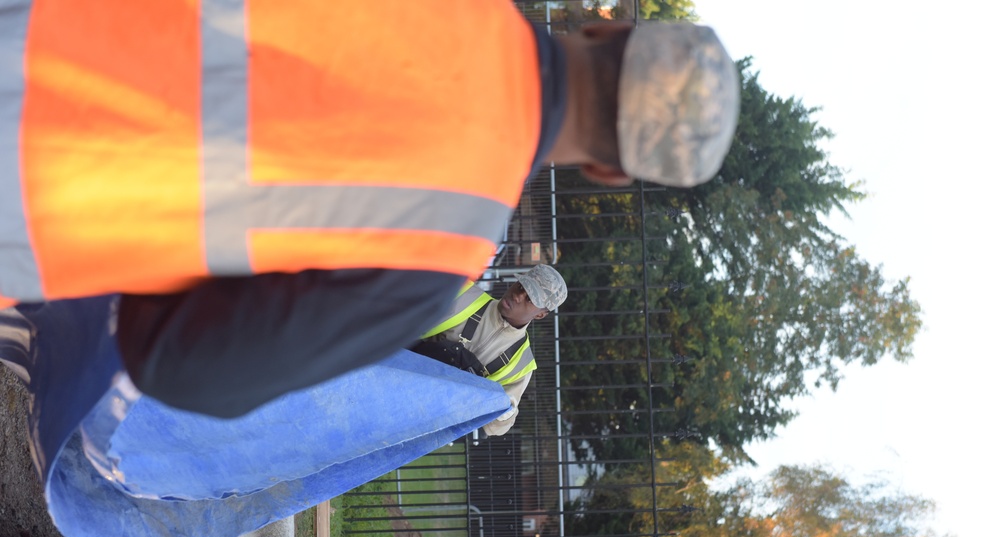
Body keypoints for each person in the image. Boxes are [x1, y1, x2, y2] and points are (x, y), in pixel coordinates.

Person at [0, 2, 739, 417]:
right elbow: (184, 367)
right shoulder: (440, 247)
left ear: (606, 28)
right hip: (34, 219)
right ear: (611, 170)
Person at [415, 264, 567, 437]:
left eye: (529, 299)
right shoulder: (465, 295)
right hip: (394, 376)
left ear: (540, 315)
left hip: (424, 418)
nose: (517, 296)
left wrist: (503, 412)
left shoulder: (521, 365)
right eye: (520, 287)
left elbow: (497, 427)